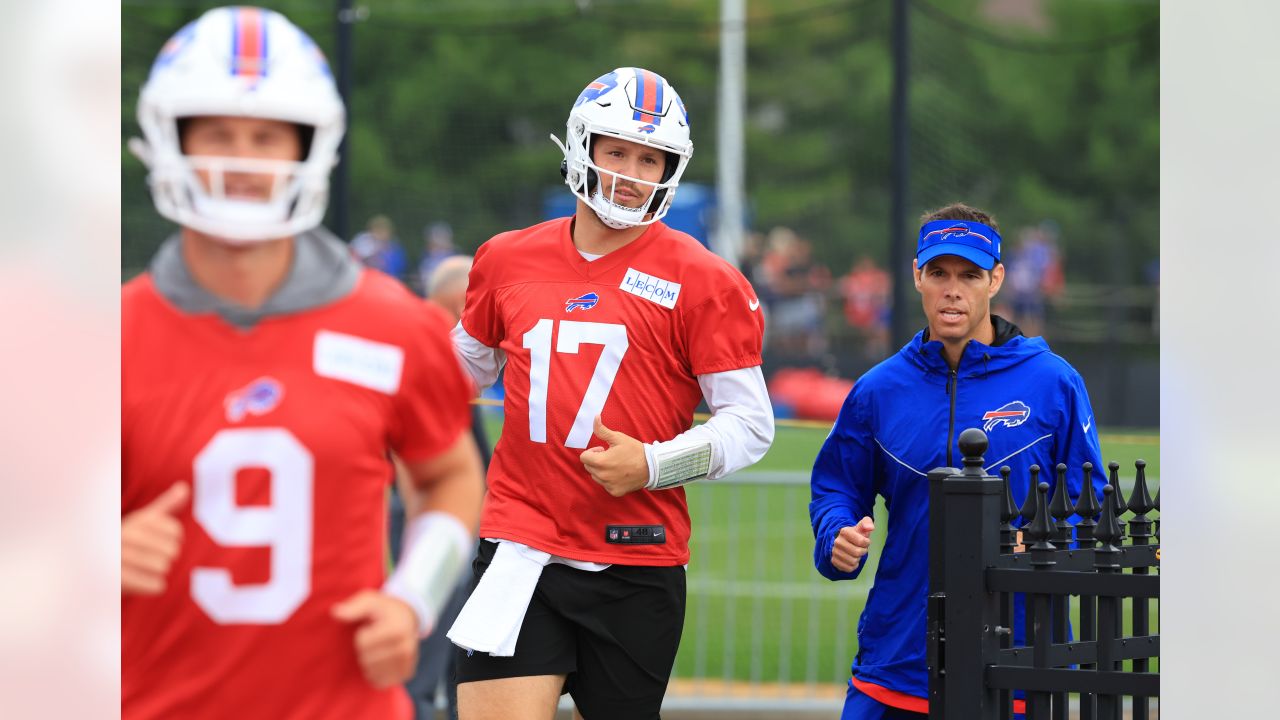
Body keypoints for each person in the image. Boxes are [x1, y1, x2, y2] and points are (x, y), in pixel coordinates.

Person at [121, 8, 485, 719]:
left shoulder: (394, 327)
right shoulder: (99, 338)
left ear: (308, 147)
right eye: (218, 134)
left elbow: (449, 476)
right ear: (171, 142)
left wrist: (411, 599)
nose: (241, 159)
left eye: (265, 137)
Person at [445, 67, 775, 720]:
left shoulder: (704, 279)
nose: (628, 172)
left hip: (636, 556)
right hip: (521, 544)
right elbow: (456, 371)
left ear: (669, 170)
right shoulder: (506, 258)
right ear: (580, 146)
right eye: (615, 150)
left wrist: (653, 464)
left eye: (648, 159)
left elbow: (750, 423)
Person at [809, 203, 1103, 719]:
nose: (953, 289)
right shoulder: (878, 389)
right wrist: (836, 534)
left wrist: (1042, 543)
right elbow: (838, 487)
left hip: (1022, 662)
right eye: (940, 273)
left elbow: (1091, 503)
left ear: (996, 280)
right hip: (898, 660)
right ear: (917, 276)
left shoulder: (1054, 382)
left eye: (969, 274)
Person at [391, 254, 490, 720]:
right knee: (429, 637)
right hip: (424, 508)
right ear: (459, 301)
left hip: (432, 505)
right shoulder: (424, 340)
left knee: (452, 640)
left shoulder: (414, 337)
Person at [352, 214, 410, 281]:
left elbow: (398, 270)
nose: (380, 233)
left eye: (383, 230)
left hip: (388, 282)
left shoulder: (395, 249)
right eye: (377, 229)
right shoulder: (363, 245)